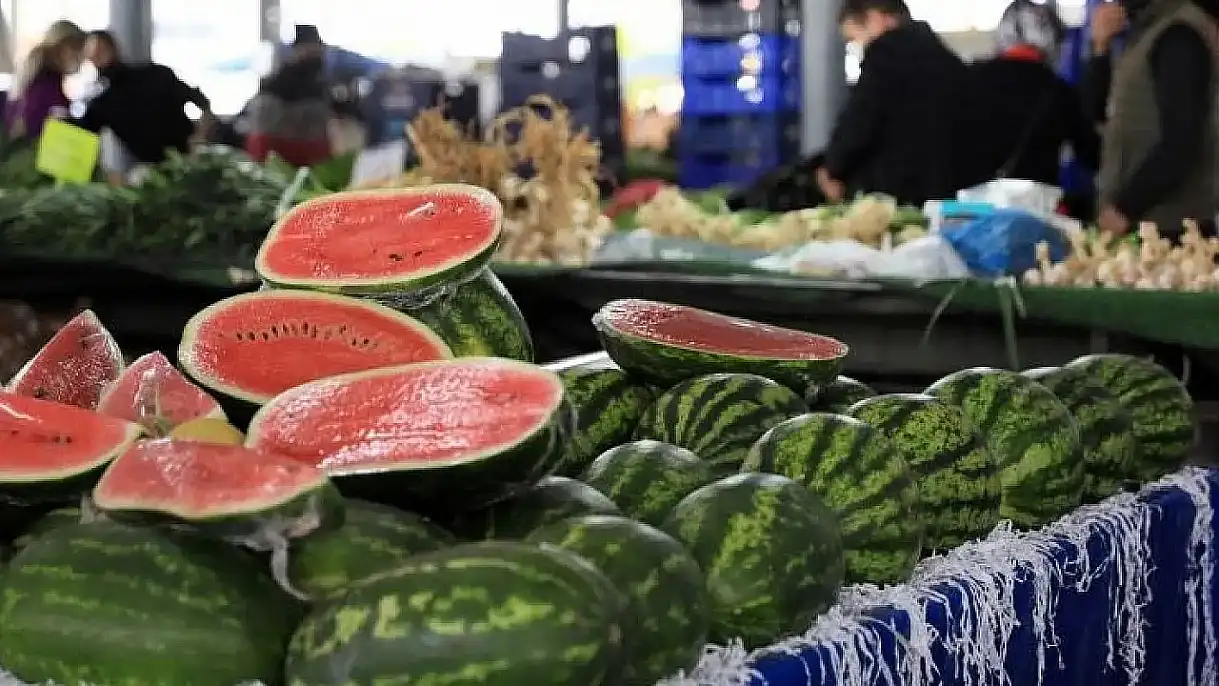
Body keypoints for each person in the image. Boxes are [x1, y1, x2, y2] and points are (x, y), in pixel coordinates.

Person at [817, 0, 978, 207]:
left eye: (854, 38)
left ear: (875, 18)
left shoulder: (886, 55)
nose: (858, 47)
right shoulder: (947, 59)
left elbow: (858, 123)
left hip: (899, 199)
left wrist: (832, 169)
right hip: (951, 197)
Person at [1085, 0, 1219, 237]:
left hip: (1169, 233)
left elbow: (1182, 141)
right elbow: (1096, 113)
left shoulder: (1179, 34)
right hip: (1141, 225)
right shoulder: (1145, 32)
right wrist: (1100, 49)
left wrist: (1124, 209)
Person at [968, 1, 1100, 188]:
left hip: (976, 197)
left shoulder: (969, 80)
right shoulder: (1058, 90)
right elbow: (1092, 154)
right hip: (1036, 199)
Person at [74, 30, 213, 167]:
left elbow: (201, 101)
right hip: (154, 168)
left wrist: (200, 136)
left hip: (188, 157)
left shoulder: (156, 75)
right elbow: (82, 134)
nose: (98, 57)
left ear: (113, 48)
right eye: (93, 54)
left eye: (101, 51)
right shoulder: (101, 102)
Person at [244, 24, 333, 166]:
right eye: (312, 48)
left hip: (303, 154)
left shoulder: (316, 81)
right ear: (298, 49)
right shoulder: (280, 85)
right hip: (283, 155)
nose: (318, 53)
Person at [5, 20, 85, 139]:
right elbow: (29, 127)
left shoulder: (38, 75)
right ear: (60, 47)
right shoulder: (44, 83)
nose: (81, 56)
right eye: (76, 48)